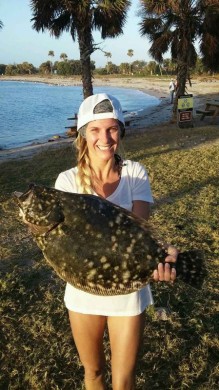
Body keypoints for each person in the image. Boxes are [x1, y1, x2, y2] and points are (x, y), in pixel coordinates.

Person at [55, 93, 178, 390]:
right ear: (83, 135)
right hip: (83, 292)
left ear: (120, 132)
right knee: (93, 372)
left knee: (124, 380)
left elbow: (139, 231)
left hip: (128, 291)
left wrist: (162, 256)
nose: (105, 138)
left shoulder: (135, 173)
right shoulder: (67, 182)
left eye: (112, 128)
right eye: (95, 130)